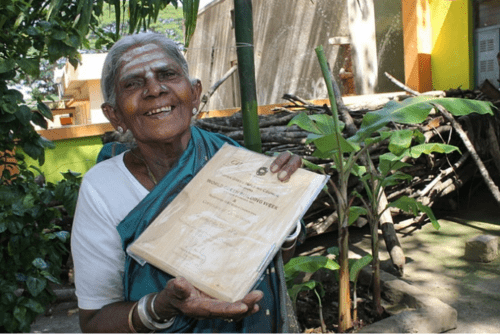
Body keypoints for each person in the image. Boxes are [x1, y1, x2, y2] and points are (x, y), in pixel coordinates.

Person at [71, 32, 303, 333]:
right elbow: (94, 322)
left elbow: (274, 261)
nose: (154, 89)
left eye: (167, 74)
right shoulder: (102, 188)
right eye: (133, 83)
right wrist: (160, 307)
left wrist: (285, 205)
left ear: (194, 94)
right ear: (115, 115)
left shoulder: (236, 164)